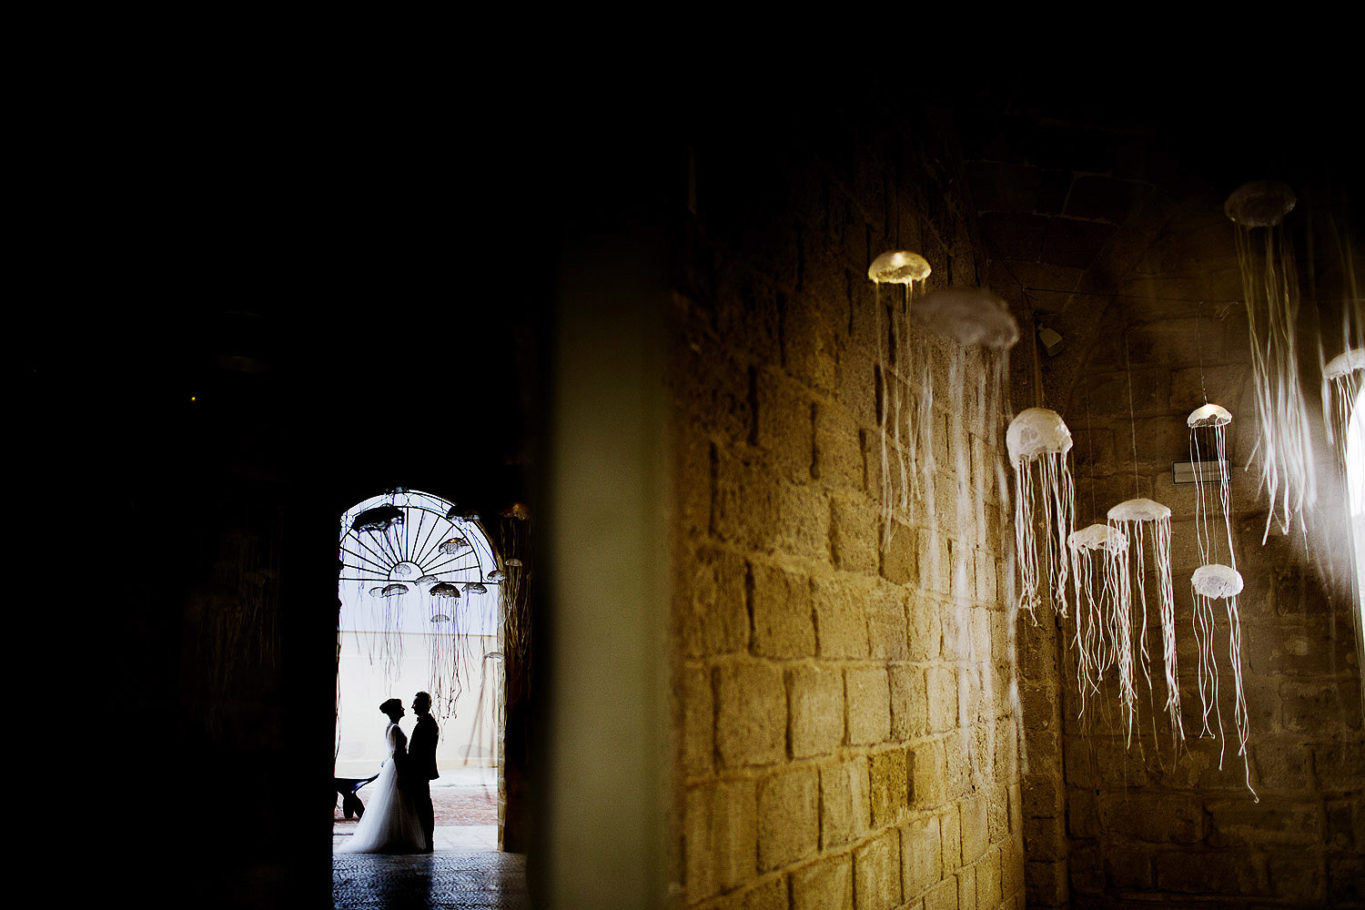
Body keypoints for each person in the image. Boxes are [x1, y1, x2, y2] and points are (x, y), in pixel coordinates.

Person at [336, 698, 426, 853]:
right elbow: (397, 754)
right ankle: (398, 837)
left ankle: (393, 835)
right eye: (401, 708)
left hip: (392, 766)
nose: (404, 709)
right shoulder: (395, 728)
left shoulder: (389, 727)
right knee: (399, 803)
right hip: (397, 768)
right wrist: (402, 774)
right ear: (395, 711)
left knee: (394, 803)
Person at [406, 691, 440, 852]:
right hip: (420, 771)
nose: (412, 706)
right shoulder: (425, 723)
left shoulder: (427, 724)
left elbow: (421, 752)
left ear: (424, 705)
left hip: (420, 771)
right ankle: (425, 839)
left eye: (416, 703)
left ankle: (428, 840)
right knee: (422, 804)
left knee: (424, 805)